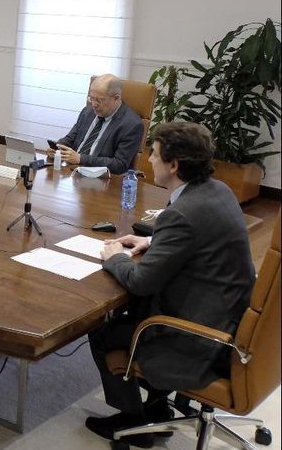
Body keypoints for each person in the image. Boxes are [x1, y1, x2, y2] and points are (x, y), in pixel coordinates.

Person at [86, 121, 255, 448]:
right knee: (132, 313)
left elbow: (140, 281)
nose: (148, 158)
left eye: (155, 153)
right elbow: (196, 238)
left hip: (200, 335)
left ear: (174, 165)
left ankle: (136, 420)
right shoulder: (216, 190)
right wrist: (154, 241)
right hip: (230, 315)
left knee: (104, 330)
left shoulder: (184, 212)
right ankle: (155, 403)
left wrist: (113, 257)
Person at [47, 74, 144, 174]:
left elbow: (119, 165)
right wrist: (57, 148)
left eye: (99, 100)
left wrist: (81, 159)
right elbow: (71, 138)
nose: (94, 104)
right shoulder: (87, 112)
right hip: (72, 172)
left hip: (100, 180)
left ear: (117, 98)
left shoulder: (132, 125)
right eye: (91, 98)